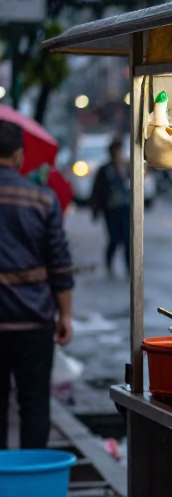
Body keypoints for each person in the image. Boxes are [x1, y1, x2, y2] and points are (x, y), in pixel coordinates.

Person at [0, 121, 74, 449]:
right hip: (34, 320)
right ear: (18, 155)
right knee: (34, 405)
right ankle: (30, 480)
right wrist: (66, 315)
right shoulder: (43, 199)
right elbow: (60, 263)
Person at [91, 137, 130, 275]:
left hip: (126, 209)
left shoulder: (127, 168)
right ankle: (108, 261)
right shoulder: (105, 170)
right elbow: (97, 190)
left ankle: (129, 267)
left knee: (128, 239)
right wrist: (95, 210)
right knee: (114, 238)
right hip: (111, 209)